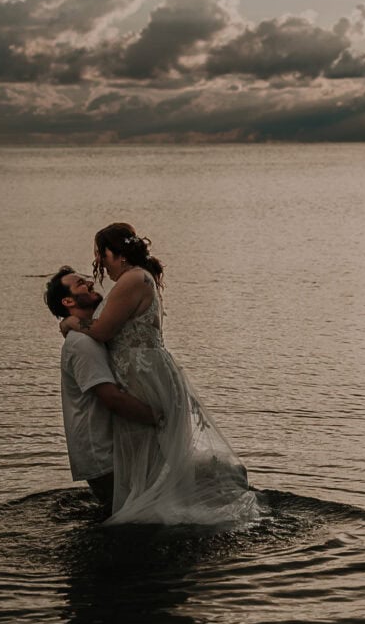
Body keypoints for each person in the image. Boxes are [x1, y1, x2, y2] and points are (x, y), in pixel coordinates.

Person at [59, 223, 260, 527]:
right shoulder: (138, 278)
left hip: (144, 375)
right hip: (144, 372)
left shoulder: (132, 279)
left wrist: (69, 323)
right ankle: (150, 509)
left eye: (102, 255)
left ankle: (152, 518)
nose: (99, 265)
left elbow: (102, 330)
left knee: (148, 448)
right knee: (149, 456)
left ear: (118, 254)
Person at [44, 266, 156, 514]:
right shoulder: (83, 344)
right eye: (80, 283)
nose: (89, 281)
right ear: (68, 300)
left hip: (109, 451)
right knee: (131, 521)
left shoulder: (88, 335)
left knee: (130, 517)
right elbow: (111, 398)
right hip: (102, 455)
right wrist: (157, 418)